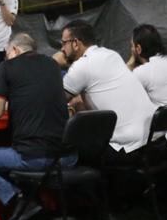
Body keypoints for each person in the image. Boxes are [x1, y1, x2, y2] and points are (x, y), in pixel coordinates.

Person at [0, 32, 72, 220]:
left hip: (35, 157)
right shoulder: (51, 65)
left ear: (14, 50)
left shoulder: (7, 67)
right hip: (66, 155)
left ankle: (20, 199)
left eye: (7, 53)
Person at [57, 20, 155, 154]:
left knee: (70, 149)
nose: (61, 49)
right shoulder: (111, 54)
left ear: (75, 43)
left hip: (125, 145)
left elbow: (55, 100)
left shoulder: (82, 66)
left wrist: (53, 63)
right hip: (149, 137)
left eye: (63, 43)